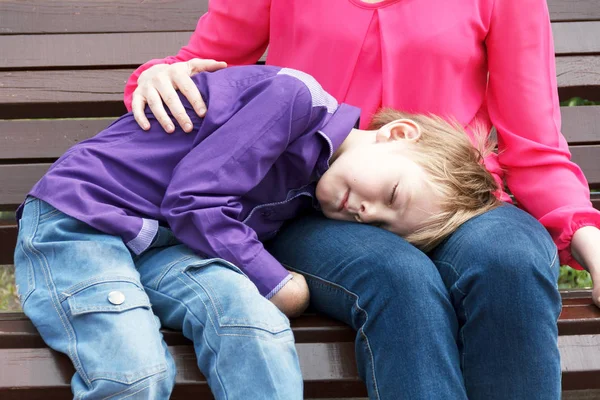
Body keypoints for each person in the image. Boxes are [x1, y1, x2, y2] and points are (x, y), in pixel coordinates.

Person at [125, 1, 600, 398]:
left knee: (509, 261)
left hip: (458, 202)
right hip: (310, 206)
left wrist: (594, 251)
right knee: (396, 275)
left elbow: (537, 149)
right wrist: (160, 77)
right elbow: (202, 67)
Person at [14, 64, 499, 400]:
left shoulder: (309, 188)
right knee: (135, 374)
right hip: (84, 220)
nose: (365, 212)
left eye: (380, 223)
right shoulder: (295, 99)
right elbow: (193, 199)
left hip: (166, 246)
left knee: (256, 329)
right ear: (398, 134)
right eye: (392, 195)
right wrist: (277, 283)